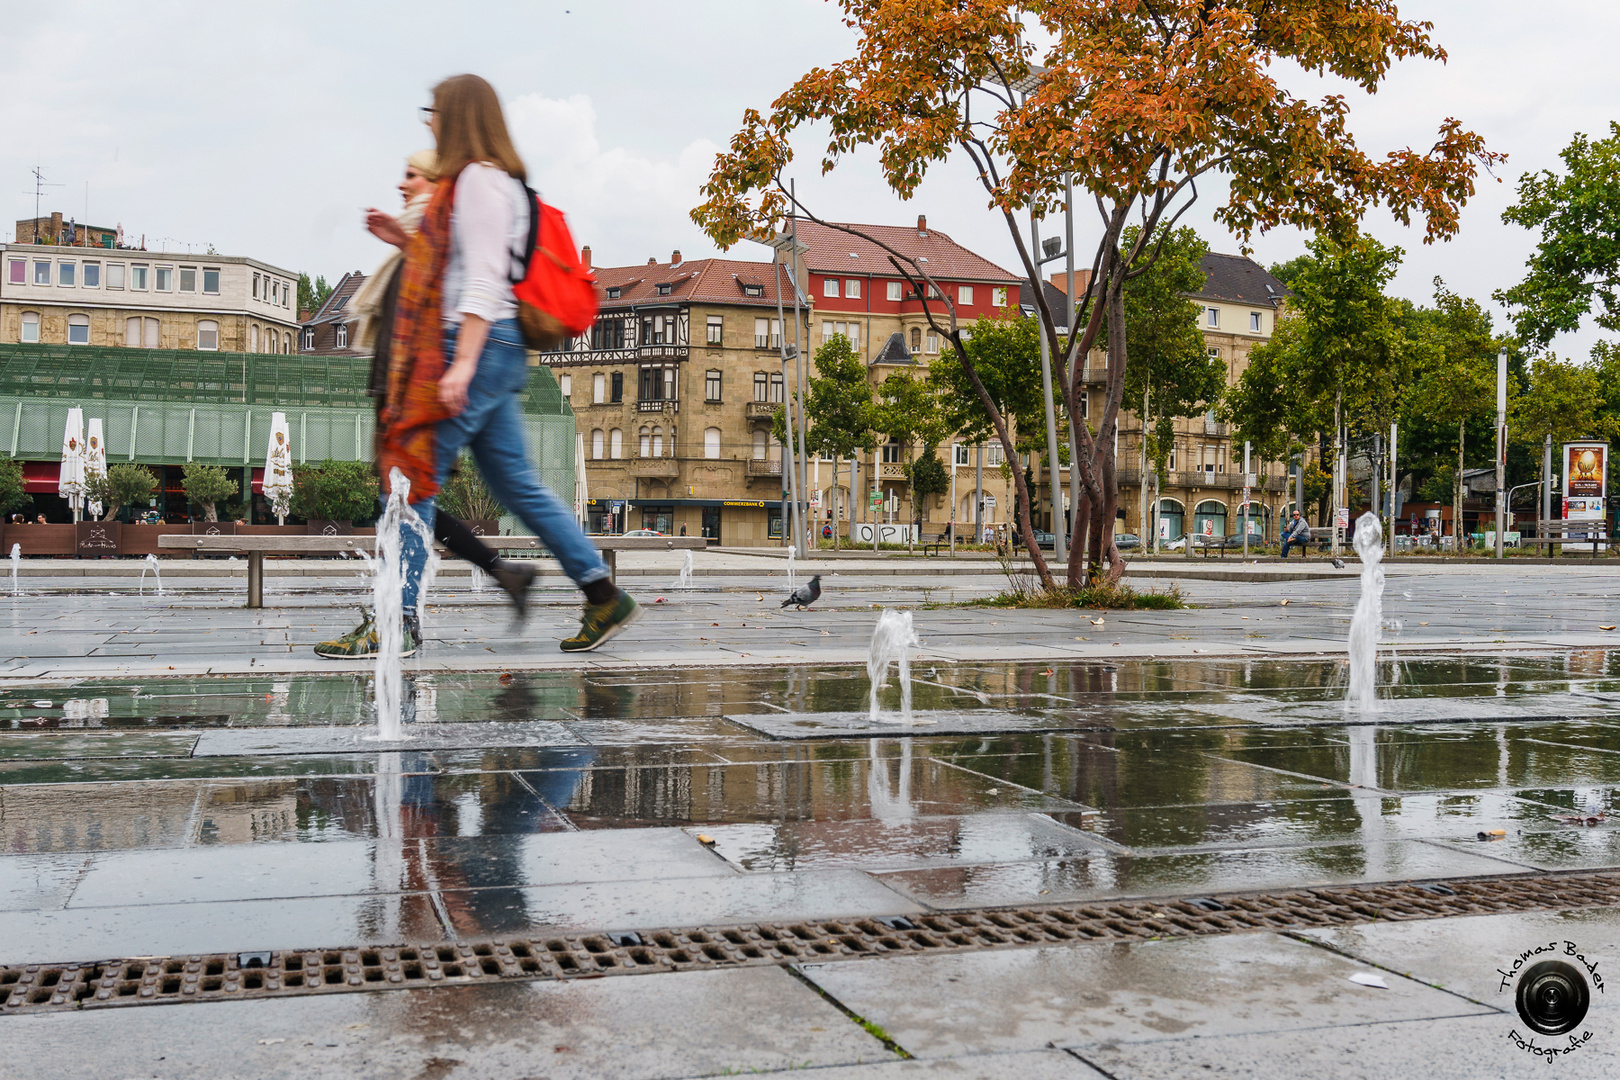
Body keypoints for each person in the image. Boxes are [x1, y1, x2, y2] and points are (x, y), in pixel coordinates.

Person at [328, 74, 637, 658]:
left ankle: (397, 620)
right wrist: (404, 239)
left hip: (478, 346)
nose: (428, 121)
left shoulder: (477, 180)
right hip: (496, 349)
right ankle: (602, 593)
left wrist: (462, 363)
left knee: (408, 482)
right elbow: (460, 266)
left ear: (460, 116)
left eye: (434, 110)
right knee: (518, 487)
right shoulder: (486, 183)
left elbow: (485, 279)